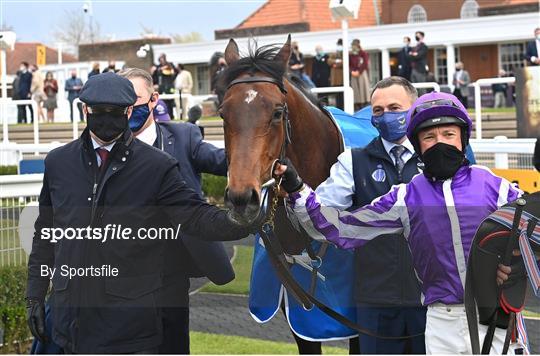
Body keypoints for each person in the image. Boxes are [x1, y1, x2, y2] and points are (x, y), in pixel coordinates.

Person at [276, 92, 528, 354]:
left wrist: (515, 267)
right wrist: (298, 189)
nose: (439, 143)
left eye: (448, 134)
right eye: (429, 137)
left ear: (462, 139)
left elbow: (533, 238)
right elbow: (341, 228)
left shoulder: (495, 187)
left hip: (496, 317)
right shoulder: (406, 196)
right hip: (443, 324)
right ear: (418, 145)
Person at [26, 72, 255, 354]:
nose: (107, 119)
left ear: (129, 110)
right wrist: (34, 295)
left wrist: (240, 220)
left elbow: (194, 216)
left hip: (127, 326)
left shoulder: (157, 166)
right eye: (99, 112)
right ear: (85, 109)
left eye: (116, 112)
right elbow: (45, 233)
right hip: (67, 319)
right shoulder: (59, 162)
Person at [119, 67, 233, 353]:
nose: (130, 109)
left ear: (154, 99)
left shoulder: (183, 137)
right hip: (123, 269)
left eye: (136, 100)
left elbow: (225, 162)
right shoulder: (107, 146)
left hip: (172, 266)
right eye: (124, 103)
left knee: (173, 342)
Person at [310, 76, 426, 354]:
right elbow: (320, 212)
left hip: (431, 299)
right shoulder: (354, 160)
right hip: (376, 300)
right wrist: (294, 194)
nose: (386, 116)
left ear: (414, 109)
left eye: (395, 108)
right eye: (378, 110)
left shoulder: (436, 156)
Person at [152, 54, 178, 118]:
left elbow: (175, 73)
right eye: (160, 59)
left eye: (163, 58)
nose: (161, 60)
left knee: (170, 102)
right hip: (161, 88)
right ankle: (163, 115)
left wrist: (172, 71)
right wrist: (155, 84)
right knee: (162, 102)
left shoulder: (170, 65)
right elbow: (154, 77)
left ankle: (171, 116)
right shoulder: (158, 67)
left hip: (170, 87)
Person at [349, 39, 370, 111]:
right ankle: (357, 104)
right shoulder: (350, 54)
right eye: (352, 45)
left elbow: (365, 63)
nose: (353, 47)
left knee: (362, 88)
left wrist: (359, 71)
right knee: (355, 89)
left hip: (361, 73)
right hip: (354, 73)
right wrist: (352, 71)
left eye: (355, 45)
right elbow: (349, 64)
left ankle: (364, 104)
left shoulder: (363, 53)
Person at [328, 38, 344, 109]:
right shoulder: (334, 53)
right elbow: (329, 61)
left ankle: (342, 107)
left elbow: (345, 62)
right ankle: (338, 107)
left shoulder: (345, 53)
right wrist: (336, 61)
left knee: (342, 95)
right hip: (335, 78)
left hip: (342, 78)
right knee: (337, 95)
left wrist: (336, 64)